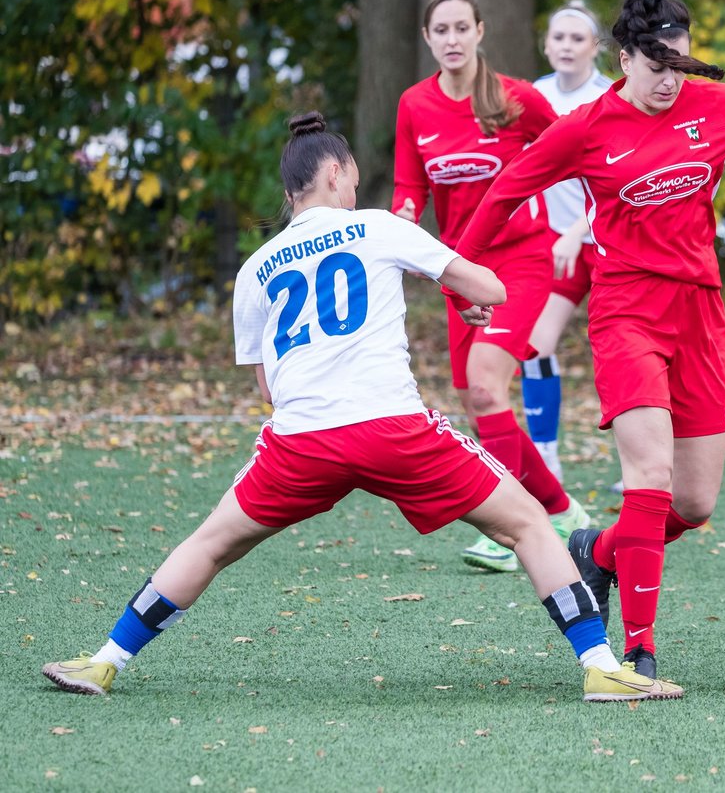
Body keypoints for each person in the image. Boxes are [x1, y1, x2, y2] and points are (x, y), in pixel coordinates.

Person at [41, 112, 682, 702]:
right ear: (333, 173)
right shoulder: (376, 224)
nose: (354, 185)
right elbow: (490, 287)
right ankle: (600, 666)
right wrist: (461, 296)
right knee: (528, 524)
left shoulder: (255, 269)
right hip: (393, 431)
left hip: (299, 443)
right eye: (350, 175)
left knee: (210, 543)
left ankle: (104, 660)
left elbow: (267, 389)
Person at [451, 0, 725, 684]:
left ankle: (598, 553)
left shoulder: (709, 104)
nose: (668, 80)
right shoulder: (587, 126)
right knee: (647, 475)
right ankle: (639, 651)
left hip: (700, 316)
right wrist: (461, 273)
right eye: (656, 66)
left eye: (679, 64)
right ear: (624, 59)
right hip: (624, 311)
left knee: (693, 503)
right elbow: (507, 189)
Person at [392, 0, 589, 573]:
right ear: (428, 39)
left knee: (484, 384)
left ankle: (513, 521)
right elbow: (411, 186)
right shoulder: (414, 104)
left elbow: (581, 149)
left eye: (462, 28)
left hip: (523, 260)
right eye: (441, 30)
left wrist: (583, 224)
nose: (452, 39)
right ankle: (562, 510)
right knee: (479, 402)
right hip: (459, 269)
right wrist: (402, 219)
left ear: (480, 33)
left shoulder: (517, 99)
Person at [521, 1, 613, 482]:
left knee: (622, 353)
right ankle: (547, 459)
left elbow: (622, 181)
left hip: (611, 242)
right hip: (558, 246)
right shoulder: (534, 96)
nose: (567, 46)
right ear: (546, 44)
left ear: (596, 47)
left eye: (578, 38)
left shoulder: (611, 97)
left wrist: (579, 230)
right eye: (559, 37)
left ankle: (645, 463)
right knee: (534, 347)